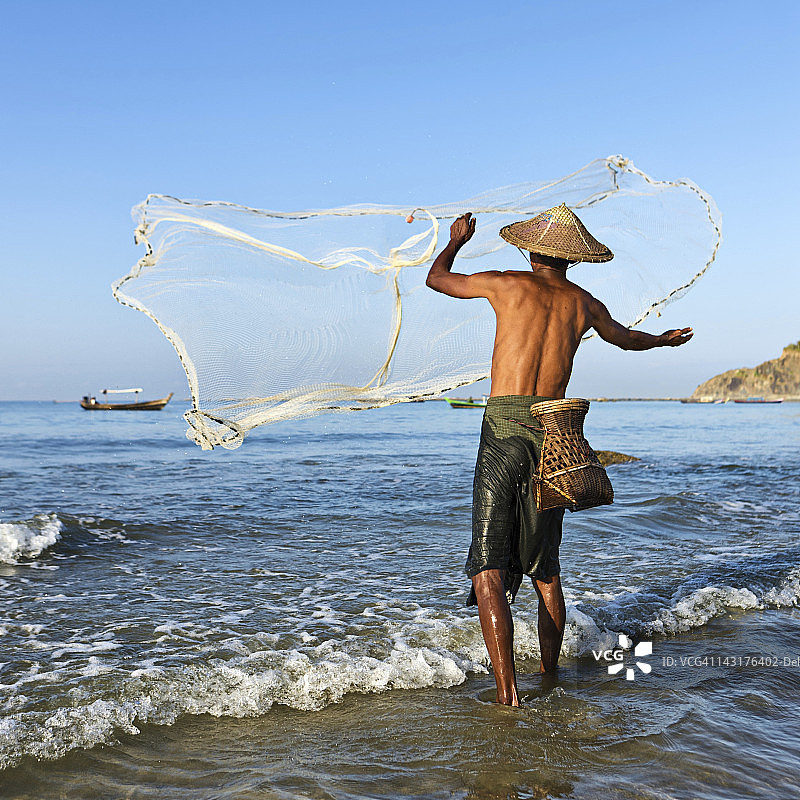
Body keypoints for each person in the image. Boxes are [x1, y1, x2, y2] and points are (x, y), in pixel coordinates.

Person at [425, 204, 692, 706]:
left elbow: (437, 279)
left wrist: (456, 240)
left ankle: (508, 695)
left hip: (504, 428)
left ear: (529, 251)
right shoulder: (583, 303)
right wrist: (661, 341)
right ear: (571, 258)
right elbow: (626, 339)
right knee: (545, 568)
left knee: (488, 566)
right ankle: (549, 679)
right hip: (553, 431)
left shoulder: (506, 284)